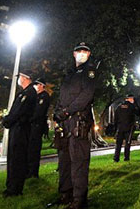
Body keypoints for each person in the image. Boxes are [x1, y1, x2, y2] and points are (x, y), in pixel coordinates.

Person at [53, 42, 98, 209]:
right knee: (64, 160)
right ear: (73, 54)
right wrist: (57, 112)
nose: (81, 53)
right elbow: (62, 96)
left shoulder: (89, 72)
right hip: (64, 122)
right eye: (79, 51)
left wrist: (66, 111)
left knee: (79, 160)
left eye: (85, 51)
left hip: (78, 120)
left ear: (89, 54)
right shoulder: (70, 73)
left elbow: (86, 95)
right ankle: (65, 194)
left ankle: (79, 200)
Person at [1, 72, 37, 197]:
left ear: (26, 78)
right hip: (16, 128)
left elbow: (19, 111)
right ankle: (10, 186)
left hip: (21, 129)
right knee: (12, 158)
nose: (19, 80)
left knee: (17, 159)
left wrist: (9, 120)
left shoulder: (30, 93)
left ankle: (15, 188)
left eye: (20, 77)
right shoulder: (24, 92)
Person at [27, 78, 51, 178]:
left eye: (37, 84)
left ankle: (33, 172)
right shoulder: (36, 96)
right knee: (29, 149)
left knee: (34, 149)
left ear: (41, 85)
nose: (35, 86)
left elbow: (39, 112)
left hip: (37, 125)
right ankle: (29, 170)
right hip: (32, 125)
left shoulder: (44, 96)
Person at [113, 94, 139, 162]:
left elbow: (115, 119)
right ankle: (126, 158)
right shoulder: (131, 106)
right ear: (131, 99)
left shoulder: (119, 107)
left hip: (120, 127)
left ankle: (116, 158)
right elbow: (138, 113)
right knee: (127, 143)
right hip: (129, 128)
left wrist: (115, 128)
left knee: (118, 144)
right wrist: (135, 103)